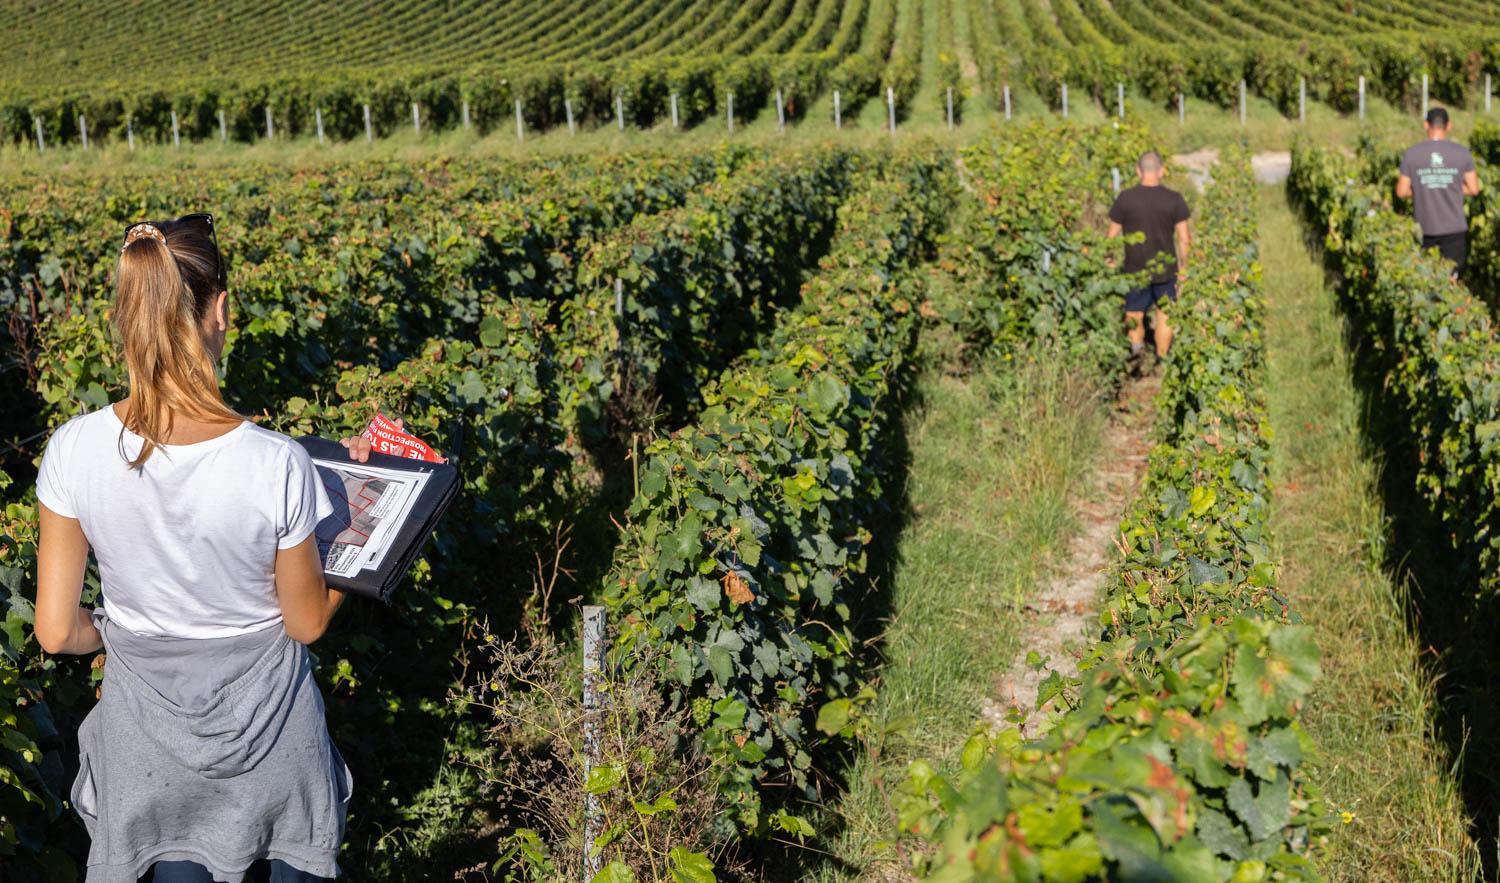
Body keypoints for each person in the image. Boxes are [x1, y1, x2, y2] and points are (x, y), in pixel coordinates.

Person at [32, 214, 383, 882]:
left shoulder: (71, 450)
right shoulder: (276, 462)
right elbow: (305, 620)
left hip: (148, 751)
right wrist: (364, 540)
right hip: (274, 742)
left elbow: (55, 630)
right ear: (221, 309)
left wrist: (127, 636)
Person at [1106, 150, 1191, 376]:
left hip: (1134, 269)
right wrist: (1184, 268)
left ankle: (1136, 351)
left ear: (1138, 171)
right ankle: (1162, 360)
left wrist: (1109, 259)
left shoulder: (1125, 198)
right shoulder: (1175, 199)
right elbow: (1184, 239)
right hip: (1166, 269)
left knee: (1134, 312)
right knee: (1165, 314)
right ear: (1162, 171)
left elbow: (1111, 236)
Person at [1397, 106, 1481, 277]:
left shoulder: (1412, 154)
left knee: (1426, 280)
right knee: (1451, 281)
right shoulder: (1462, 153)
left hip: (1425, 229)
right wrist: (1451, 186)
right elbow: (1474, 189)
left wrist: (1424, 187)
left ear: (1425, 125)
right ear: (1448, 125)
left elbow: (1401, 191)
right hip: (1454, 230)